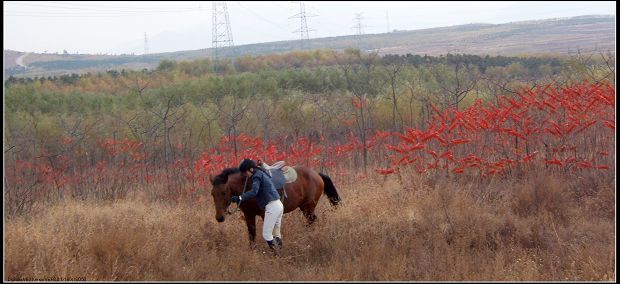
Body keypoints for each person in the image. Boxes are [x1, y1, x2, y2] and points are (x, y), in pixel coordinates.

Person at [231, 158, 284, 253]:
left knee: (266, 234)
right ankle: (279, 255)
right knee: (276, 234)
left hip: (272, 207)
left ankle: (277, 255)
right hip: (279, 205)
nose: (246, 175)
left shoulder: (256, 176)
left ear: (251, 169)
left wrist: (239, 198)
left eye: (245, 173)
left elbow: (254, 192)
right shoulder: (262, 173)